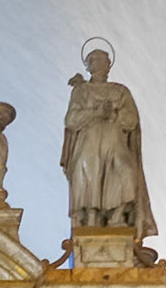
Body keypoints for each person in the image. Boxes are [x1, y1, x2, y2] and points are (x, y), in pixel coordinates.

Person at [60, 42, 155, 237]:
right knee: (88, 176)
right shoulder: (81, 91)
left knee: (126, 173)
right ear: (88, 66)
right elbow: (71, 120)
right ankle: (91, 218)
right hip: (89, 142)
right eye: (94, 60)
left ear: (109, 64)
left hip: (114, 141)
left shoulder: (120, 91)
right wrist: (96, 112)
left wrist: (114, 114)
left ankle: (117, 215)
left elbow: (131, 120)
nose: (99, 63)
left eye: (103, 59)